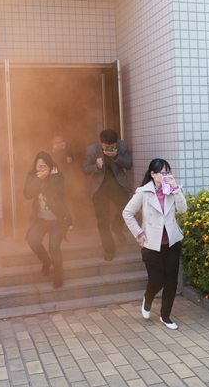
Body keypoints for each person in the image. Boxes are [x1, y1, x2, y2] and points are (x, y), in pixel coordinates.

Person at [122, 159, 187, 330]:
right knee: (157, 280)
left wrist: (175, 188)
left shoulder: (172, 190)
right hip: (151, 245)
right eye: (162, 172)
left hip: (172, 243)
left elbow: (183, 210)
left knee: (171, 281)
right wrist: (139, 233)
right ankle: (148, 298)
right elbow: (127, 213)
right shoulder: (143, 192)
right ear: (153, 174)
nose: (166, 175)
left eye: (168, 172)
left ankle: (165, 316)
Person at [23, 151, 73, 289]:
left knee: (54, 247)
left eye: (45, 166)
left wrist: (54, 178)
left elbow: (59, 195)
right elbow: (27, 194)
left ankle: (58, 276)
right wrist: (39, 179)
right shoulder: (32, 175)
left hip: (57, 220)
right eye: (39, 166)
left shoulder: (58, 176)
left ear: (50, 166)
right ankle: (46, 261)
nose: (41, 169)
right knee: (33, 241)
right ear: (35, 166)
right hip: (40, 219)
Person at [83, 129, 132, 261]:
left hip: (118, 185)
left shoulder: (122, 146)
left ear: (116, 143)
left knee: (126, 208)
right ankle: (109, 249)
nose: (109, 148)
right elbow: (85, 169)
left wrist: (116, 156)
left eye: (112, 146)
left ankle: (117, 227)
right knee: (102, 221)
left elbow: (129, 165)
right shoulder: (92, 150)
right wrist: (96, 166)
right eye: (106, 146)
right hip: (100, 188)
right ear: (101, 143)